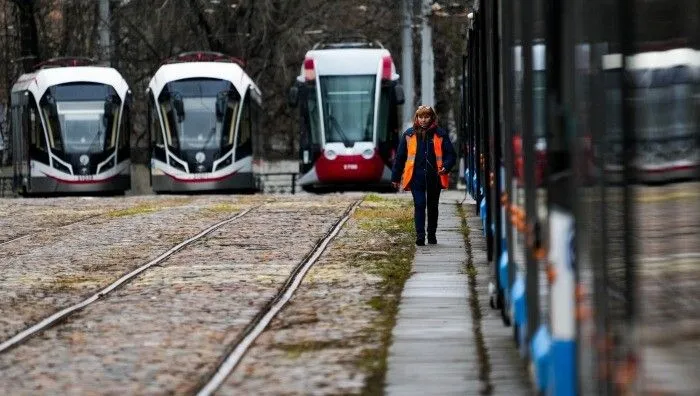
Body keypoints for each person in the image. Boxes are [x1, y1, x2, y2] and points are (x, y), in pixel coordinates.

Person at [392, 105, 456, 246]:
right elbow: (400, 157)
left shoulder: (440, 134)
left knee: (433, 206)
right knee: (419, 204)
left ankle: (431, 234)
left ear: (432, 118)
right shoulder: (409, 135)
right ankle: (420, 236)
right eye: (421, 117)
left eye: (427, 117)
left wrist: (446, 166)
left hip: (435, 177)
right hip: (416, 178)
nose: (423, 120)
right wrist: (395, 178)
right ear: (417, 118)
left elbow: (451, 154)